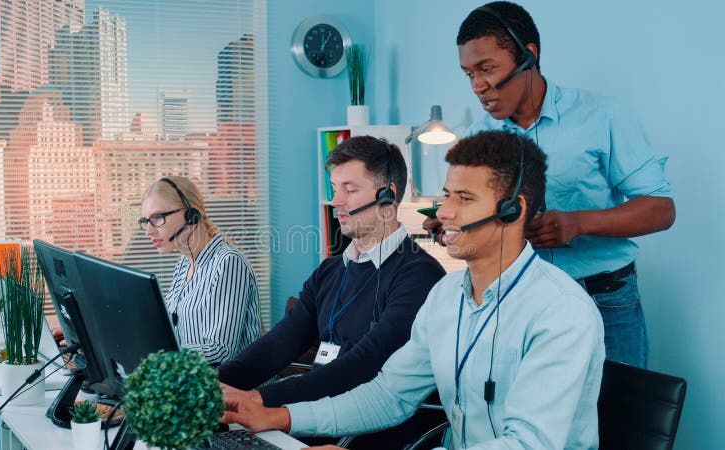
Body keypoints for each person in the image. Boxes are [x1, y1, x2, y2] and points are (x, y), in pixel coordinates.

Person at [223, 130, 606, 449]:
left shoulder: (561, 313)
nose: (443, 213)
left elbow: (527, 444)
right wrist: (280, 417)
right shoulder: (447, 296)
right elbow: (390, 395)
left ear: (513, 210)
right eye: (447, 194)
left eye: (465, 198)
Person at [425, 1, 675, 367]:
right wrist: (454, 223)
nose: (478, 86)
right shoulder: (479, 137)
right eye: (469, 74)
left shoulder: (603, 116)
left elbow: (660, 209)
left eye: (487, 69)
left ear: (529, 56)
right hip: (520, 301)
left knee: (617, 421)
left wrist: (578, 223)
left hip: (605, 299)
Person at [218, 135, 446, 448]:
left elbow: (363, 366)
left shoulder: (420, 277)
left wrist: (257, 399)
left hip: (365, 436)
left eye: (349, 189)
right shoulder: (332, 269)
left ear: (386, 197)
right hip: (310, 422)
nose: (336, 200)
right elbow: (280, 342)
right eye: (334, 188)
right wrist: (213, 387)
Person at [139, 175, 261, 364]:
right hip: (192, 382)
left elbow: (220, 351)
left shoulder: (228, 263)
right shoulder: (184, 263)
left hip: (234, 388)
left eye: (158, 218)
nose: (149, 231)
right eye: (146, 221)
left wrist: (162, 357)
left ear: (191, 215)